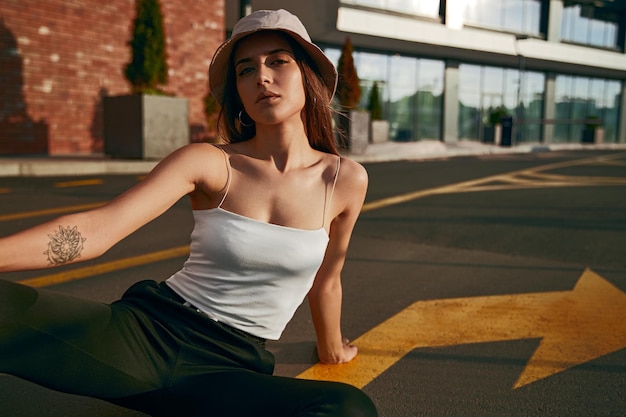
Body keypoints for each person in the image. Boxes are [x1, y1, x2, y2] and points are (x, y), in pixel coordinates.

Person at [0, 8, 378, 417]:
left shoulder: (345, 180)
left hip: (228, 372)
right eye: (246, 69)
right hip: (142, 336)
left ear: (307, 74)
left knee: (348, 407)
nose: (262, 77)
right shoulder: (209, 162)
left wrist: (332, 348)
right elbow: (98, 230)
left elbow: (327, 281)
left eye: (277, 61)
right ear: (237, 89)